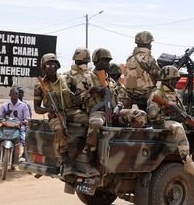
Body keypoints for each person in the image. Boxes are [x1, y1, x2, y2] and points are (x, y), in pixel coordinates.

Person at [83, 48, 147, 176]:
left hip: (113, 112)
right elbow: (78, 99)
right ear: (96, 61)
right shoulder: (87, 78)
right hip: (98, 111)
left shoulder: (110, 81)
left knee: (140, 116)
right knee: (96, 124)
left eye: (108, 61)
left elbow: (118, 98)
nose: (107, 64)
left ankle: (123, 144)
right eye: (104, 61)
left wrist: (118, 106)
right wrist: (92, 90)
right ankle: (89, 160)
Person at [147, 65, 194, 180]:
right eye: (174, 79)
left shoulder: (175, 93)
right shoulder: (157, 93)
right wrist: (167, 110)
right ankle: (186, 160)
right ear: (167, 79)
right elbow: (153, 116)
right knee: (178, 127)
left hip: (176, 120)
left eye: (177, 79)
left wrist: (185, 118)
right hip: (162, 123)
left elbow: (182, 111)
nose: (176, 82)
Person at [33, 53, 79, 177]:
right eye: (48, 65)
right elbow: (37, 108)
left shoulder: (67, 79)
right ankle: (66, 160)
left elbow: (78, 94)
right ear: (43, 67)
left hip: (71, 112)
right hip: (55, 116)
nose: (51, 67)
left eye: (53, 65)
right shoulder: (39, 86)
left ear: (57, 66)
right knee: (59, 129)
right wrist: (49, 108)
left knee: (88, 121)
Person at [0, 87, 30, 172]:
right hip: (5, 126)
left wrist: (25, 121)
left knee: (25, 142)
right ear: (9, 94)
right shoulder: (5, 105)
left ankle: (28, 165)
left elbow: (27, 117)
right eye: (13, 93)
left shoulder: (23, 106)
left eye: (16, 94)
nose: (15, 95)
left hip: (19, 127)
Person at [124, 31, 160, 111]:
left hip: (129, 93)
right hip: (144, 93)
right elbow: (159, 75)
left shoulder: (130, 57)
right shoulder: (148, 58)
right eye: (150, 43)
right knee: (164, 92)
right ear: (147, 43)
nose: (151, 45)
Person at [63, 47, 93, 125]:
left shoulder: (90, 74)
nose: (84, 64)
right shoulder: (68, 75)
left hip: (87, 108)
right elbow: (66, 97)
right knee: (89, 120)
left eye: (84, 62)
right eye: (82, 62)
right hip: (72, 110)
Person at [17, 87, 32, 160]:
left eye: (22, 92)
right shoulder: (8, 104)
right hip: (10, 126)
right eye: (19, 92)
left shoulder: (26, 105)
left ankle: (27, 159)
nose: (21, 94)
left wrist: (25, 123)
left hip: (22, 127)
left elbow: (29, 118)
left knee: (26, 141)